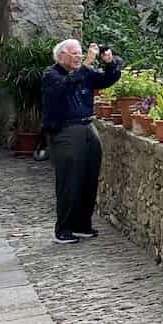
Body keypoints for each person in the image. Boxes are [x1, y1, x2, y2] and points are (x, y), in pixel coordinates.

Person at [41, 40, 122, 245]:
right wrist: (86, 64)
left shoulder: (84, 73)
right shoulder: (51, 75)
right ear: (61, 56)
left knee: (89, 177)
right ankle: (64, 229)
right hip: (65, 130)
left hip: (87, 125)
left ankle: (82, 224)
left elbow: (105, 81)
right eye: (74, 53)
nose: (78, 57)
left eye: (80, 53)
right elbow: (64, 87)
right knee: (69, 179)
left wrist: (110, 63)